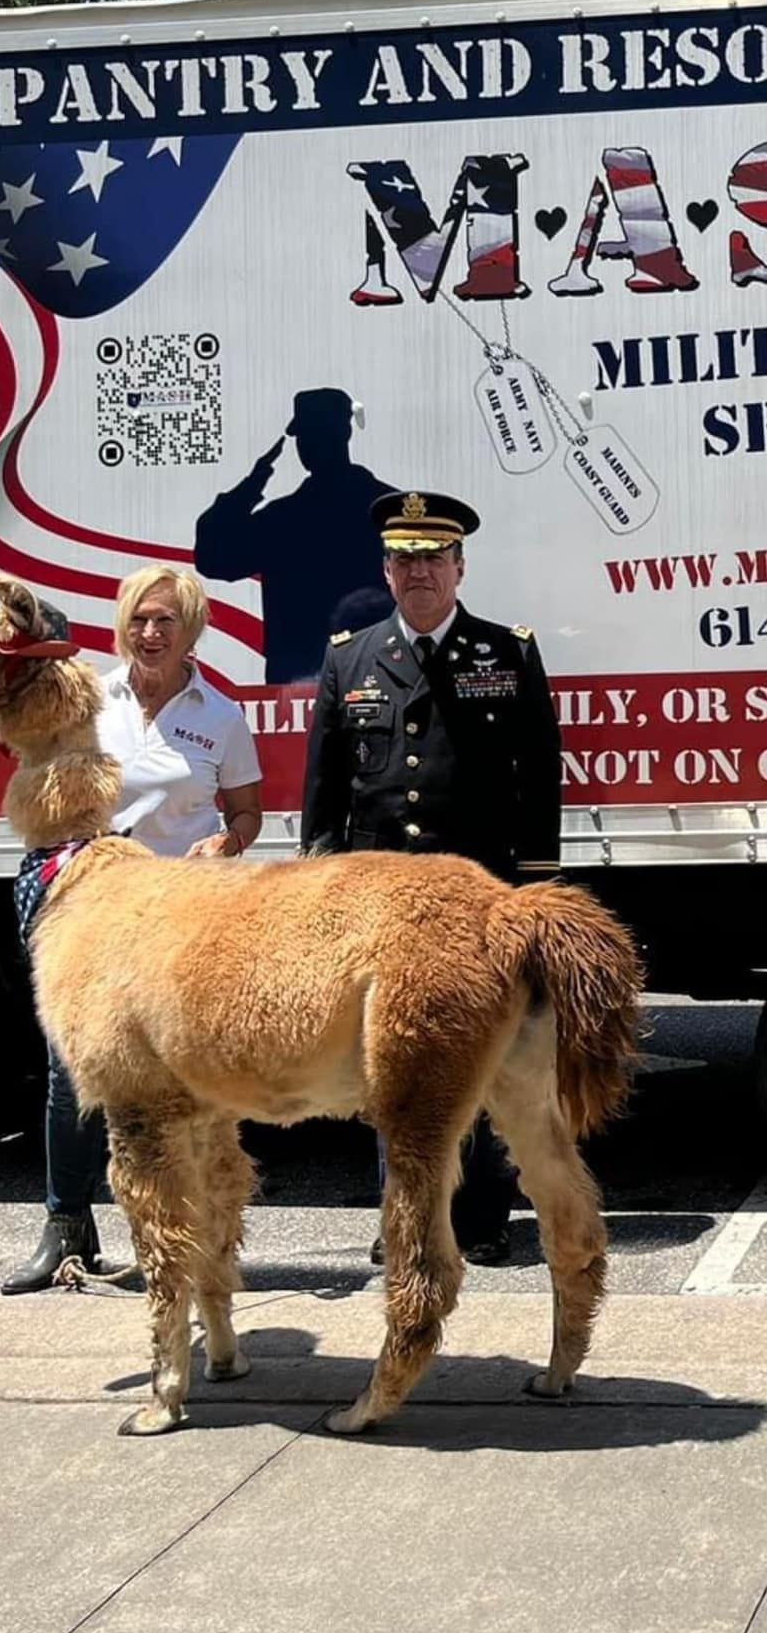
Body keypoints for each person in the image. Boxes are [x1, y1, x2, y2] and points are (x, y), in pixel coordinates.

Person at [300, 487, 562, 1267]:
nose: (419, 574)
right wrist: (323, 889)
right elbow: (324, 789)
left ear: (459, 567)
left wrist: (532, 889)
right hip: (382, 901)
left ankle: (480, 1216)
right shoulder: (349, 656)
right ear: (385, 571)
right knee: (389, 1064)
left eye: (433, 560)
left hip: (474, 897)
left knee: (474, 1054)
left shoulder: (505, 654)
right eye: (404, 560)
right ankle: (406, 1220)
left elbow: (539, 777)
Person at [1, 566, 262, 1295]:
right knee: (70, 1073)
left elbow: (246, 809)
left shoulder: (219, 715)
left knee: (183, 1075)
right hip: (91, 910)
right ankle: (65, 1228)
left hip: (179, 920)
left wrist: (228, 843)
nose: (150, 633)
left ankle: (192, 1239)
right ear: (122, 626)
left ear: (191, 631)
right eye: (139, 620)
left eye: (165, 621)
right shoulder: (86, 701)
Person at [194, 387, 395, 682]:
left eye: (310, 435)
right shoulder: (389, 508)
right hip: (380, 670)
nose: (306, 445)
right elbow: (212, 559)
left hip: (301, 684)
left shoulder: (284, 519)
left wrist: (251, 485)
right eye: (305, 436)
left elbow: (213, 554)